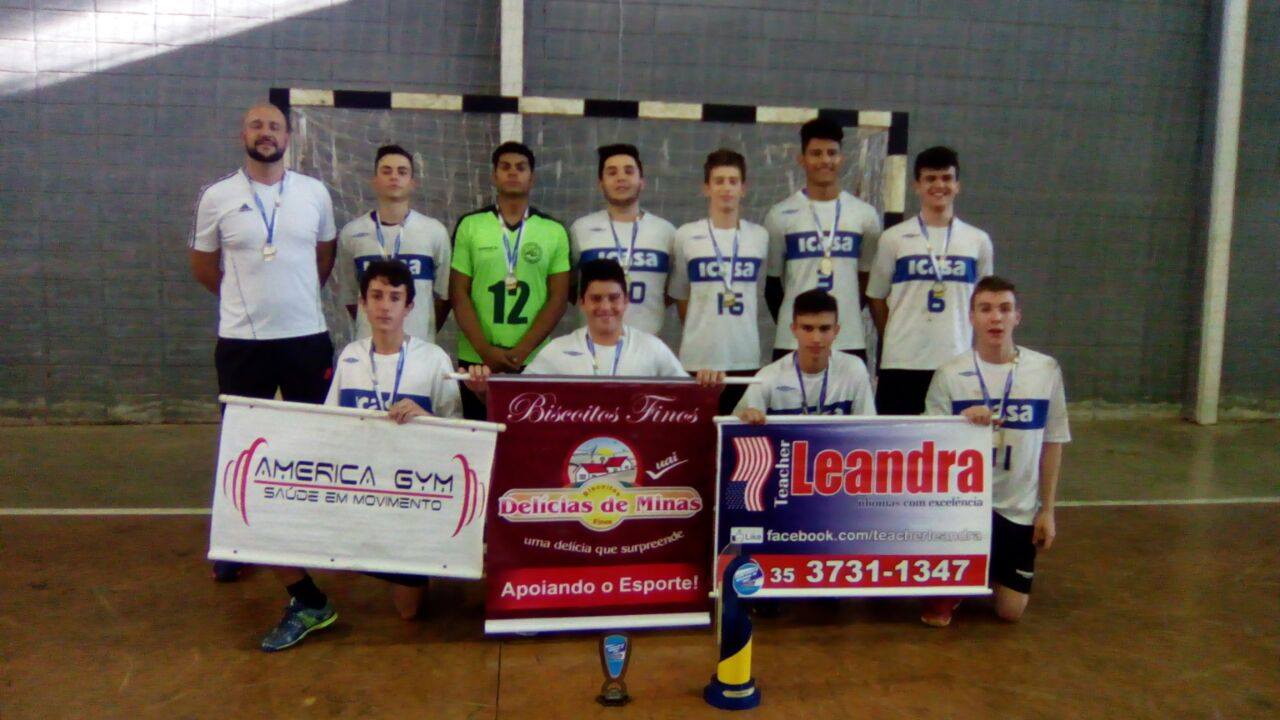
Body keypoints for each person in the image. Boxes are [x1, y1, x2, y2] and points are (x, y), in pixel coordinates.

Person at [260, 259, 463, 652]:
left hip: (409, 497)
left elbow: (457, 439)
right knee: (269, 518)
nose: (385, 305)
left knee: (408, 611)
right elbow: (330, 425)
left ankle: (392, 555)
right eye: (376, 296)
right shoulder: (351, 356)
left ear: (410, 307)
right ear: (363, 304)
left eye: (395, 297)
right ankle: (310, 601)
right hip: (355, 488)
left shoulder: (433, 359)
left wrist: (426, 417)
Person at [189, 102, 337, 583]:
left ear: (288, 137)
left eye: (275, 126)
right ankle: (236, 542)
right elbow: (203, 265)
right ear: (243, 133)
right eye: (257, 124)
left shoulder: (315, 193)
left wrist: (291, 299)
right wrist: (244, 299)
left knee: (312, 439)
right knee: (240, 444)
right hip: (242, 343)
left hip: (305, 339)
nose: (266, 132)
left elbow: (324, 256)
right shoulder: (217, 196)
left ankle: (311, 529)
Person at [922, 275, 1069, 627]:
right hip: (962, 509)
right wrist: (959, 422)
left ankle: (985, 569)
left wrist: (1047, 511)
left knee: (1009, 613)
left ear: (1017, 316)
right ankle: (962, 574)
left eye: (1004, 309)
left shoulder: (1044, 370)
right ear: (971, 317)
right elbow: (927, 445)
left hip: (1016, 508)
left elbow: (1053, 441)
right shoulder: (950, 374)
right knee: (934, 616)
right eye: (985, 309)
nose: (995, 318)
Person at [867, 146, 993, 415]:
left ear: (957, 185)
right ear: (917, 185)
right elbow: (876, 297)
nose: (939, 185)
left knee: (950, 447)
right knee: (898, 447)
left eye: (947, 178)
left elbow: (985, 301)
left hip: (955, 360)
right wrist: (894, 334)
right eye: (930, 178)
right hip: (901, 362)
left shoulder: (978, 241)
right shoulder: (894, 238)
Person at [464, 259, 721, 389]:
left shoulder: (653, 349)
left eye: (614, 298)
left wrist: (711, 387)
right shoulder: (557, 351)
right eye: (596, 299)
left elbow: (690, 403)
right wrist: (482, 390)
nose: (606, 307)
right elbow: (518, 402)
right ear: (582, 302)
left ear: (626, 300)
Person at [450, 141, 570, 418]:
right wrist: (485, 351)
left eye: (520, 167)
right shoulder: (470, 225)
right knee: (478, 440)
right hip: (477, 358)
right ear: (494, 176)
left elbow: (558, 298)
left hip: (534, 359)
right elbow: (459, 294)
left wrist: (522, 351)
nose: (513, 173)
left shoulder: (553, 230)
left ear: (532, 177)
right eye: (505, 167)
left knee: (529, 445)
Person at [764, 117, 882, 364]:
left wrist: (843, 317)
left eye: (831, 153)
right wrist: (797, 325)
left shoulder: (864, 215)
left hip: (848, 339)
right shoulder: (780, 215)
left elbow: (866, 280)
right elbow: (773, 286)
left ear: (841, 158)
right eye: (816, 153)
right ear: (802, 159)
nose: (825, 160)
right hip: (792, 341)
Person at [669, 148, 768, 415]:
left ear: (743, 188)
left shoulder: (759, 237)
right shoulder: (686, 235)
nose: (726, 188)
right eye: (719, 181)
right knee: (698, 440)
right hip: (698, 358)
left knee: (739, 439)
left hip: (744, 355)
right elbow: (681, 296)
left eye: (733, 181)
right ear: (706, 188)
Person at [336, 144, 451, 343]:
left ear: (412, 182)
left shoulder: (434, 231)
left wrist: (424, 328)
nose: (394, 177)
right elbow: (351, 297)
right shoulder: (351, 233)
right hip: (369, 345)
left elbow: (444, 297)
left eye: (402, 172)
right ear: (374, 180)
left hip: (419, 347)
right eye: (386, 171)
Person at [569, 144, 677, 335]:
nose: (621, 178)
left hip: (647, 346)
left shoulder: (666, 231)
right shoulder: (581, 229)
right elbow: (571, 289)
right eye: (612, 172)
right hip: (593, 345)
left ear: (642, 181)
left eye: (629, 171)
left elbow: (671, 291)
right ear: (600, 183)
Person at [735, 289, 875, 421]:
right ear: (794, 329)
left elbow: (869, 430)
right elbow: (734, 428)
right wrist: (746, 417)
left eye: (824, 329)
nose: (816, 338)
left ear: (836, 330)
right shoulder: (767, 377)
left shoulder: (854, 369)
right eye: (807, 328)